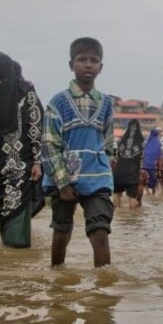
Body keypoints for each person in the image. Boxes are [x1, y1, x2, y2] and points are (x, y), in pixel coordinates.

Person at [41, 37, 115, 267]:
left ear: (101, 67)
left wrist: (107, 166)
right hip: (65, 180)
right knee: (62, 231)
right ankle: (57, 276)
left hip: (97, 179)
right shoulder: (59, 102)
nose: (88, 65)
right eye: (82, 59)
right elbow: (49, 145)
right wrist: (62, 183)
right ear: (71, 64)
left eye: (94, 60)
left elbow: (108, 141)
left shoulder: (106, 103)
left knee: (100, 232)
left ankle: (103, 286)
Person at [0, 52, 44, 247]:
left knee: (18, 234)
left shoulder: (26, 93)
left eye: (3, 80)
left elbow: (36, 128)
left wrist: (37, 161)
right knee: (3, 220)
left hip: (23, 167)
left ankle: (17, 260)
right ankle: (8, 255)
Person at [112, 119, 145, 207]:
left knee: (116, 194)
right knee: (132, 197)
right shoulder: (140, 141)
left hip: (119, 171)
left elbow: (115, 157)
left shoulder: (121, 140)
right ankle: (132, 215)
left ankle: (117, 214)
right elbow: (142, 159)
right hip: (132, 173)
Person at [141, 127, 163, 196]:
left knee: (145, 180)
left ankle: (148, 192)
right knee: (154, 181)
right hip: (153, 166)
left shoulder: (147, 142)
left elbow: (143, 153)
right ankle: (153, 193)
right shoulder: (158, 143)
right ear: (157, 135)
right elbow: (160, 155)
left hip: (145, 165)